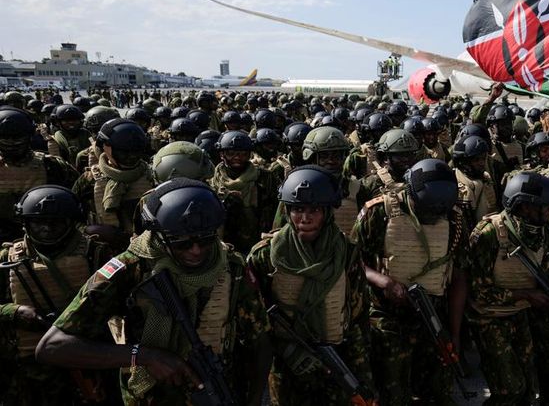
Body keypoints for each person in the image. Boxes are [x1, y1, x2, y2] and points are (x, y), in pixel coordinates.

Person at [35, 179, 272, 405]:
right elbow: (52, 347)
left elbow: (259, 339)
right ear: (158, 235)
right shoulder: (130, 268)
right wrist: (145, 356)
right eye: (181, 242)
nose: (196, 250)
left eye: (205, 239)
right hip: (150, 397)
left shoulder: (232, 266)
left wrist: (255, 399)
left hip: (219, 390)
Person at [247, 166, 374, 404]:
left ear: (327, 212)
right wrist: (285, 351)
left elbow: (357, 316)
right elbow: (255, 322)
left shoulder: (346, 252)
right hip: (287, 365)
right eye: (297, 209)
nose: (305, 218)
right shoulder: (265, 256)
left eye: (314, 210)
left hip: (336, 358)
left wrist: (362, 375)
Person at [352, 159, 461, 405]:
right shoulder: (379, 212)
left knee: (439, 391)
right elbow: (352, 262)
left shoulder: (453, 217)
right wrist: (384, 282)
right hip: (388, 314)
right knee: (394, 393)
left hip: (433, 315)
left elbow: (459, 277)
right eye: (426, 212)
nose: (433, 218)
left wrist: (455, 333)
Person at [0, 186, 112, 405]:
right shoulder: (8, 257)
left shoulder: (96, 253)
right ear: (25, 223)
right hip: (30, 366)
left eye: (56, 222)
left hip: (89, 357)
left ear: (70, 222)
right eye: (38, 223)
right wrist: (14, 312)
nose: (47, 229)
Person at [460, 172, 549, 405]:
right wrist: (527, 295)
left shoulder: (544, 234)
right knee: (510, 389)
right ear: (525, 207)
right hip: (489, 317)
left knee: (529, 389)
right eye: (545, 206)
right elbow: (477, 291)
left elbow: (547, 279)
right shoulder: (489, 234)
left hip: (521, 313)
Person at [0, 106, 79, 242]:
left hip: (48, 236)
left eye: (18, 138)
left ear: (29, 136)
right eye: (5, 138)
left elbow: (76, 201)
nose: (12, 143)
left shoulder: (52, 165)